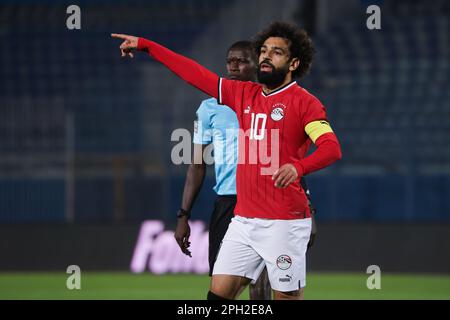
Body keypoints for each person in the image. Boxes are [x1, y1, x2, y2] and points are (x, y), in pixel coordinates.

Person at [111, 21, 342, 300]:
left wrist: (299, 167)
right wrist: (147, 46)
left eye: (276, 52)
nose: (266, 56)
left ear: (293, 63)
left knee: (283, 297)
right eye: (264, 50)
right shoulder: (243, 94)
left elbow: (331, 149)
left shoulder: (306, 103)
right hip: (243, 221)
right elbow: (193, 73)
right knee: (217, 296)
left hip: (284, 222)